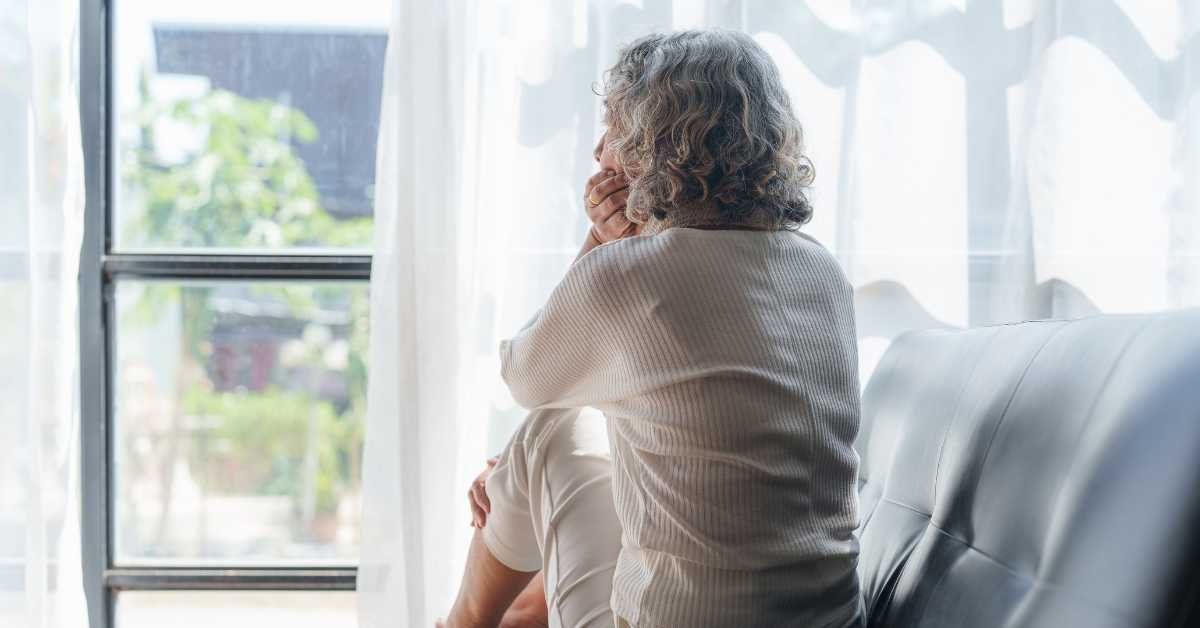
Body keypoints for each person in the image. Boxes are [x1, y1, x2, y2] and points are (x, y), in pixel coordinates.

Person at [442, 29, 864, 628]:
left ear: (653, 145)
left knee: (546, 430)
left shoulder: (628, 276)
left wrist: (599, 243)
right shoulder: (823, 271)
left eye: (613, 127)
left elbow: (525, 376)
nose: (598, 152)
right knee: (578, 432)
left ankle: (461, 622)